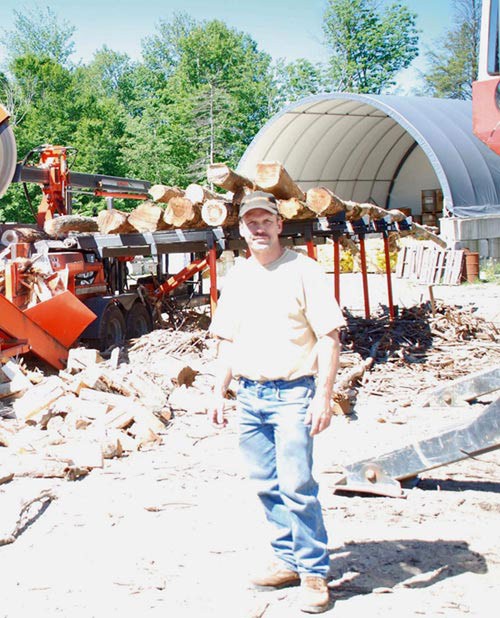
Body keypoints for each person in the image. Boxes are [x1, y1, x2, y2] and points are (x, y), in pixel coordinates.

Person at [209, 191, 345, 614]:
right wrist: (218, 390)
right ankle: (287, 559)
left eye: (265, 220)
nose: (259, 228)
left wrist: (323, 395)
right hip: (250, 396)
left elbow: (329, 336)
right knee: (267, 486)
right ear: (242, 230)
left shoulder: (302, 271)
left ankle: (313, 573)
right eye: (251, 222)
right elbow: (228, 340)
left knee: (297, 486)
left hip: (293, 395)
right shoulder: (239, 276)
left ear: (279, 224)